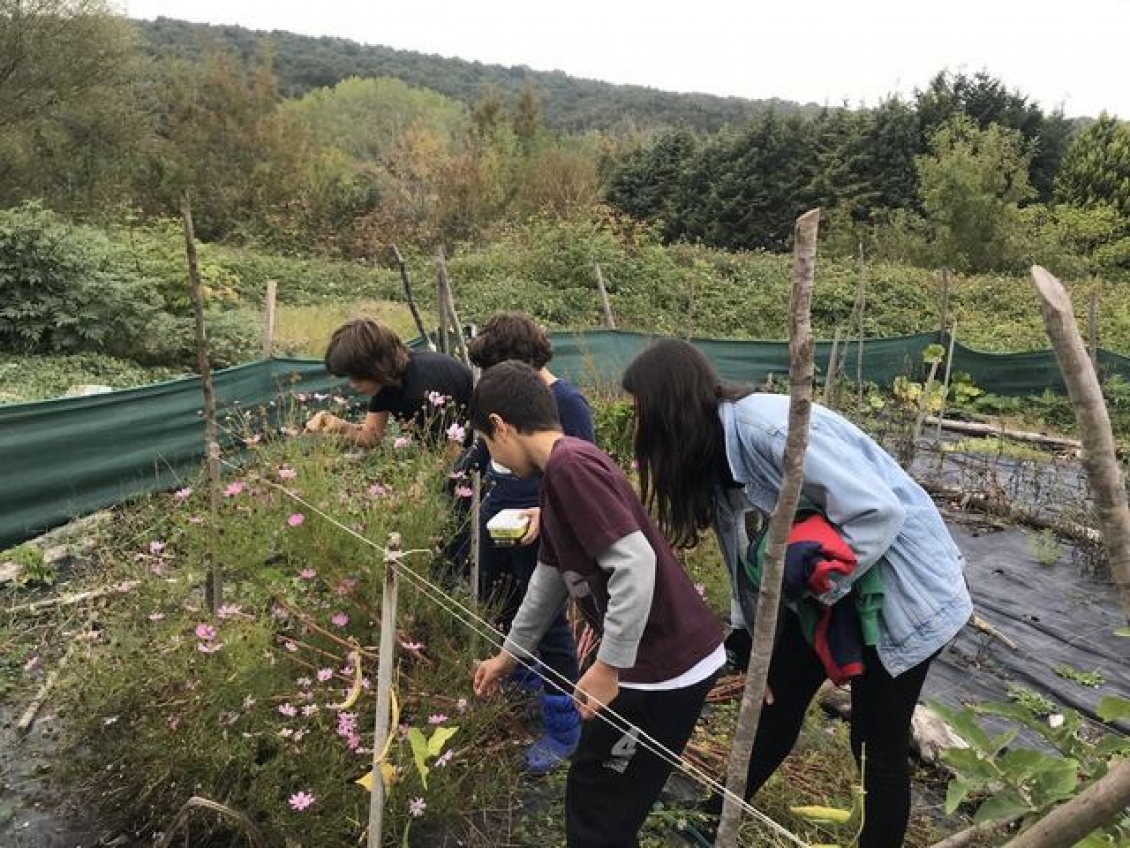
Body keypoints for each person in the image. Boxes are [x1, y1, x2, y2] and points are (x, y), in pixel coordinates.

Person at [620, 338, 973, 848]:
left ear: (669, 407)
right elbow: (736, 548)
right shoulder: (715, 451)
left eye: (641, 414)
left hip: (902, 590)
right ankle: (717, 817)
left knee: (876, 740)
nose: (638, 430)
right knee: (775, 703)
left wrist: (816, 586)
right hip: (832, 592)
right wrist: (745, 634)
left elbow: (877, 512)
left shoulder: (769, 429)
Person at [470, 361, 725, 848]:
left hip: (667, 666)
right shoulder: (562, 472)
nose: (491, 454)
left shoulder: (571, 470)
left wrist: (607, 665)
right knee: (596, 792)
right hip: (646, 661)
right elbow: (548, 581)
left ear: (500, 427)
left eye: (487, 441)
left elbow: (635, 564)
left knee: (600, 809)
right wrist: (508, 657)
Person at [465, 313, 595, 774]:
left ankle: (563, 721)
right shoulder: (501, 405)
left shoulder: (565, 402)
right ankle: (520, 676)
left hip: (541, 534)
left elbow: (582, 474)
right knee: (499, 598)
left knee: (547, 620)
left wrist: (548, 514)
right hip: (499, 521)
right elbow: (483, 449)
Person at [305, 318, 472, 448]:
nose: (353, 384)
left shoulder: (425, 387)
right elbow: (371, 436)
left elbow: (452, 452)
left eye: (358, 376)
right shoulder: (386, 383)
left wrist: (422, 484)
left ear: (377, 365)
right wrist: (339, 426)